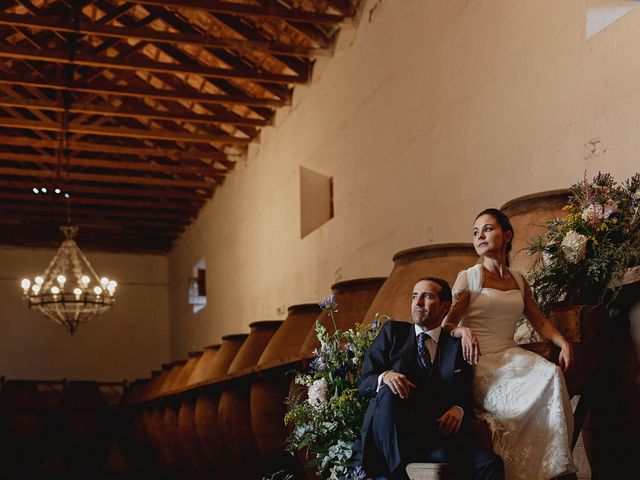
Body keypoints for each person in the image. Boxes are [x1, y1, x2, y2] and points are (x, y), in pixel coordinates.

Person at [442, 208, 577, 480]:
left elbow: (538, 320)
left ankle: (556, 469)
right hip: (482, 361)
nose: (480, 235)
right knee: (521, 397)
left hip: (511, 354)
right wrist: (464, 331)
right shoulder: (469, 276)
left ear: (507, 236)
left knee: (551, 373)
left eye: (487, 229)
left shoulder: (518, 279)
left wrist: (562, 341)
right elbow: (447, 324)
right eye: (475, 231)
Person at [351, 276, 505, 480]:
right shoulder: (393, 333)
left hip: (436, 438)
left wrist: (458, 410)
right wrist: (385, 376)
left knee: (490, 464)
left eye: (427, 296)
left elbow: (465, 395)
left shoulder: (455, 346)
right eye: (415, 296)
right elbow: (364, 383)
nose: (418, 302)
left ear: (445, 307)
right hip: (395, 438)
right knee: (389, 389)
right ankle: (397, 475)